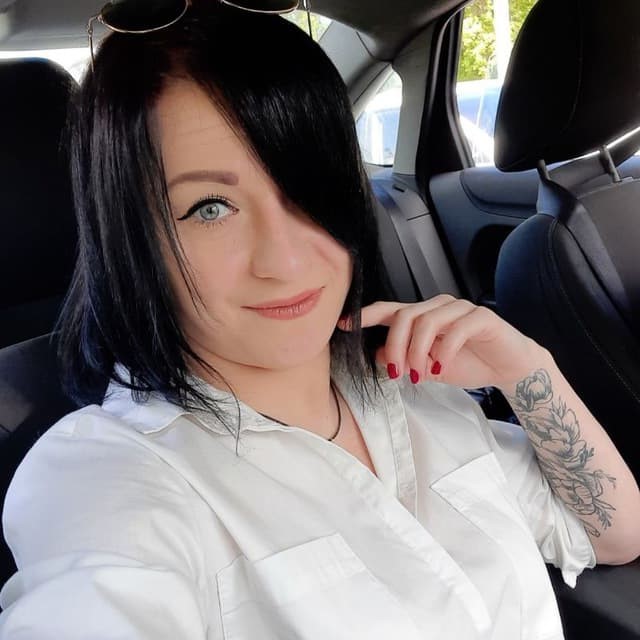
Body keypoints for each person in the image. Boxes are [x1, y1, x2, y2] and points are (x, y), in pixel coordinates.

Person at [1, 1, 639, 638]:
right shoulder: (108, 477)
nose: (285, 259)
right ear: (131, 238)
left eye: (306, 187)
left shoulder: (422, 393)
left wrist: (526, 372)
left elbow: (613, 533)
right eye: (211, 208)